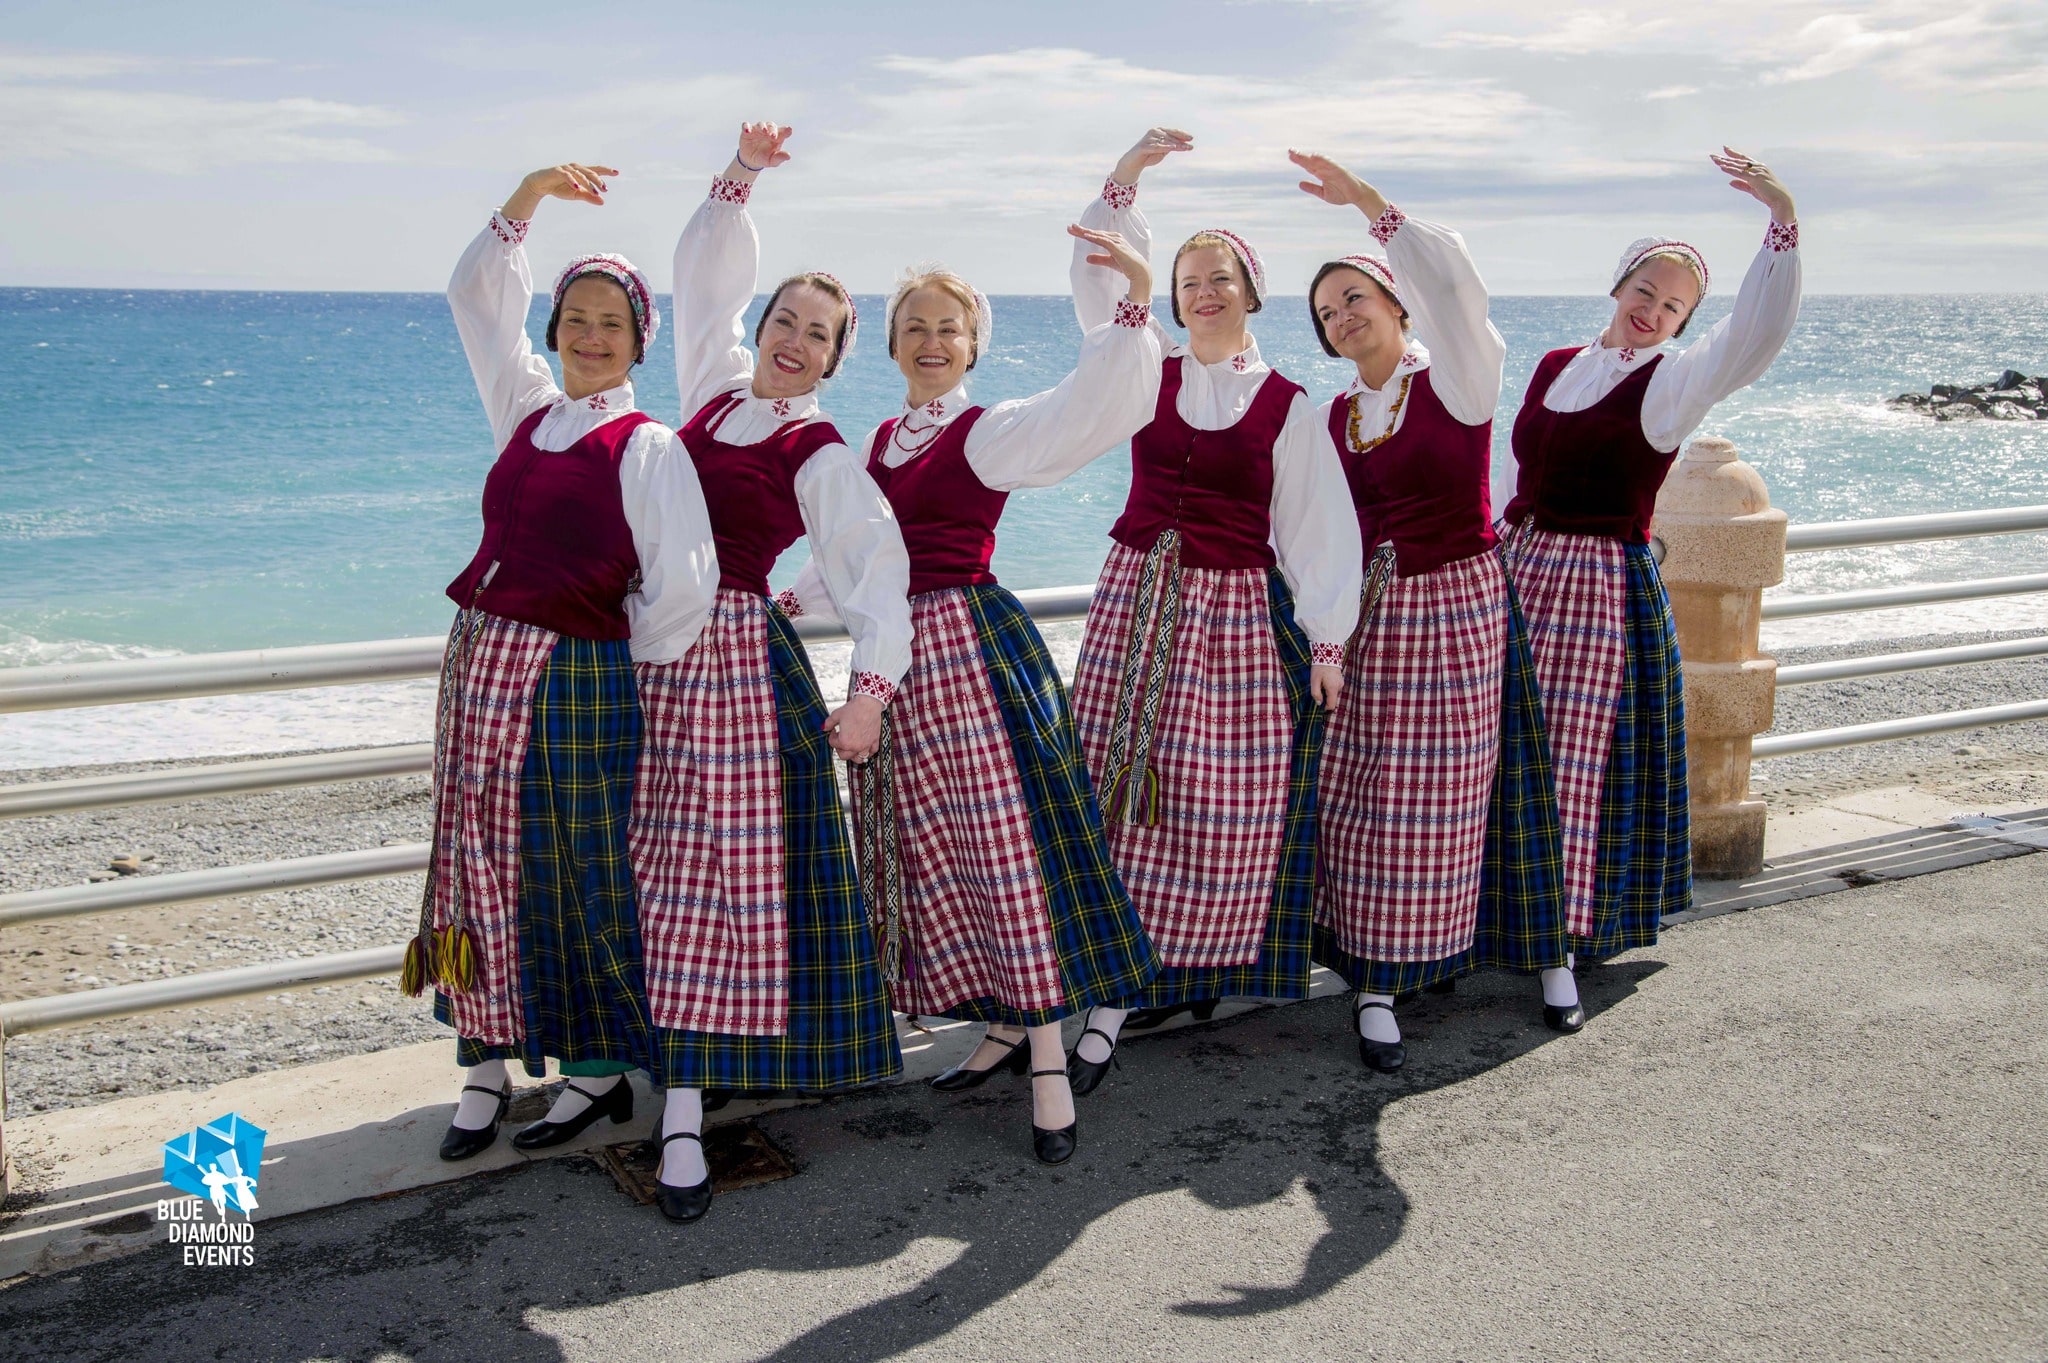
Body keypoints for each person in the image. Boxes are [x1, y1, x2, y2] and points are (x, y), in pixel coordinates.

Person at [781, 231, 1163, 1163]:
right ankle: (998, 1020)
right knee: (946, 850)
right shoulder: (877, 440)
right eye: (915, 326)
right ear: (891, 344)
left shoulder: (987, 430)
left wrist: (1133, 306)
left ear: (973, 343)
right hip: (905, 666)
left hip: (977, 655)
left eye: (949, 327)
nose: (931, 340)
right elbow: (860, 561)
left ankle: (1044, 1056)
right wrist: (779, 602)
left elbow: (1089, 410)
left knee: (1007, 849)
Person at [630, 123, 911, 1221]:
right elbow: (697, 287)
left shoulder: (817, 450)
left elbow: (875, 570)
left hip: (734, 672)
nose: (794, 340)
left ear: (836, 360)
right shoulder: (706, 396)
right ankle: (629, 1061)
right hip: (637, 650)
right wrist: (738, 180)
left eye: (818, 334)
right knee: (639, 867)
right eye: (784, 320)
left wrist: (870, 694)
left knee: (713, 879)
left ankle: (690, 1116)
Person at [422, 162, 717, 1169]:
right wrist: (526, 198)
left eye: (613, 325)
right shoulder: (527, 410)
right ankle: (482, 1061)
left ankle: (595, 1067)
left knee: (582, 874)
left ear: (639, 343)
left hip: (580, 682)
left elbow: (681, 589)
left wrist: (610, 666)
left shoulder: (649, 446)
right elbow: (475, 300)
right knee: (479, 865)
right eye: (576, 318)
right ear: (556, 329)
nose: (590, 337)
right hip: (482, 671)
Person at [1062, 129, 1362, 1089]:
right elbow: (1098, 282)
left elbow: (1317, 527)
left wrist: (1326, 638)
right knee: (1116, 786)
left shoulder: (1287, 403)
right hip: (1133, 608)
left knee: (1213, 800)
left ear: (1250, 292)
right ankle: (1115, 978)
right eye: (1189, 276)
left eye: (1220, 275)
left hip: (1230, 618)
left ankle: (1177, 968)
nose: (1203, 289)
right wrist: (1128, 177)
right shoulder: (1141, 365)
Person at [1500, 148, 1802, 1007]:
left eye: (1674, 305)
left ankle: (1558, 941)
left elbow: (1754, 337)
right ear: (1618, 285)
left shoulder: (1674, 382)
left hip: (1599, 585)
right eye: (1645, 292)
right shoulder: (1556, 362)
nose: (1654, 311)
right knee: (1503, 753)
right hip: (1520, 572)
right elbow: (1510, 473)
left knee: (1571, 765)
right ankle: (1490, 919)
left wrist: (1780, 225)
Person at [1289, 151, 1568, 1072]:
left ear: (1397, 302)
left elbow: (1459, 290)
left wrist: (1371, 206)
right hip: (1371, 621)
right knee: (1366, 796)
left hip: (1459, 609)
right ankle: (1375, 974)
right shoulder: (1333, 418)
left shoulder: (1456, 377)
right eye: (1328, 313)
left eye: (1354, 297)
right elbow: (1309, 530)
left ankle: (1543, 951)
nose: (1342, 316)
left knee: (1471, 790)